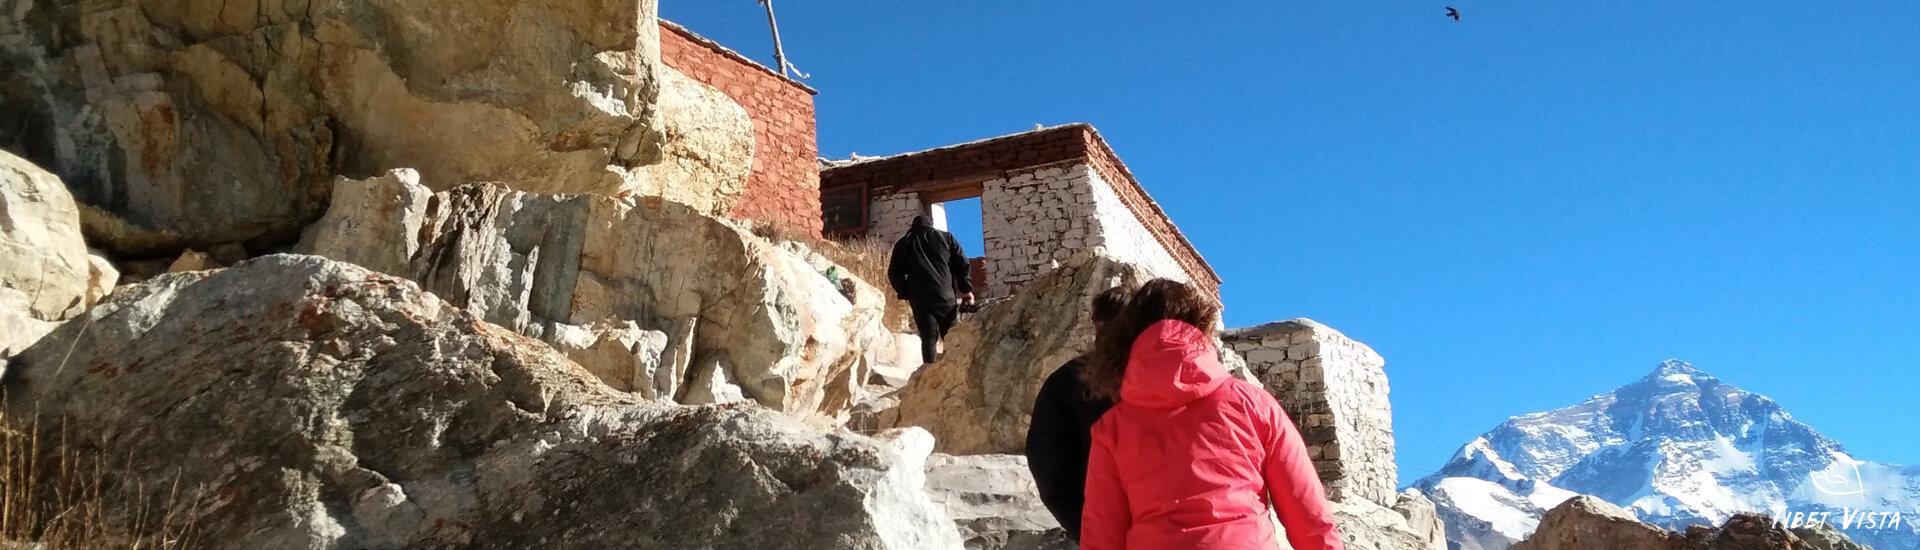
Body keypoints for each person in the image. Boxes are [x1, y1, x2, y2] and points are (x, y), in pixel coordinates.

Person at [1079, 279, 1344, 550]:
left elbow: (1101, 536)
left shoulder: (1111, 428)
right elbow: (1310, 514)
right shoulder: (1253, 404)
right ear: (1200, 325)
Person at [1024, 286, 1132, 541]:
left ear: (1096, 323)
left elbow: (1049, 466)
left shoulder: (1067, 380)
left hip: (1101, 524)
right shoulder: (1163, 374)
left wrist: (1086, 530)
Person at [886, 214, 975, 363]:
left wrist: (905, 292)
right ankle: (953, 369)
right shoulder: (946, 238)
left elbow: (894, 273)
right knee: (950, 335)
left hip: (920, 298)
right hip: (945, 296)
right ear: (931, 224)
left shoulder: (904, 243)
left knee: (928, 337)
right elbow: (962, 264)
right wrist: (967, 290)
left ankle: (929, 371)